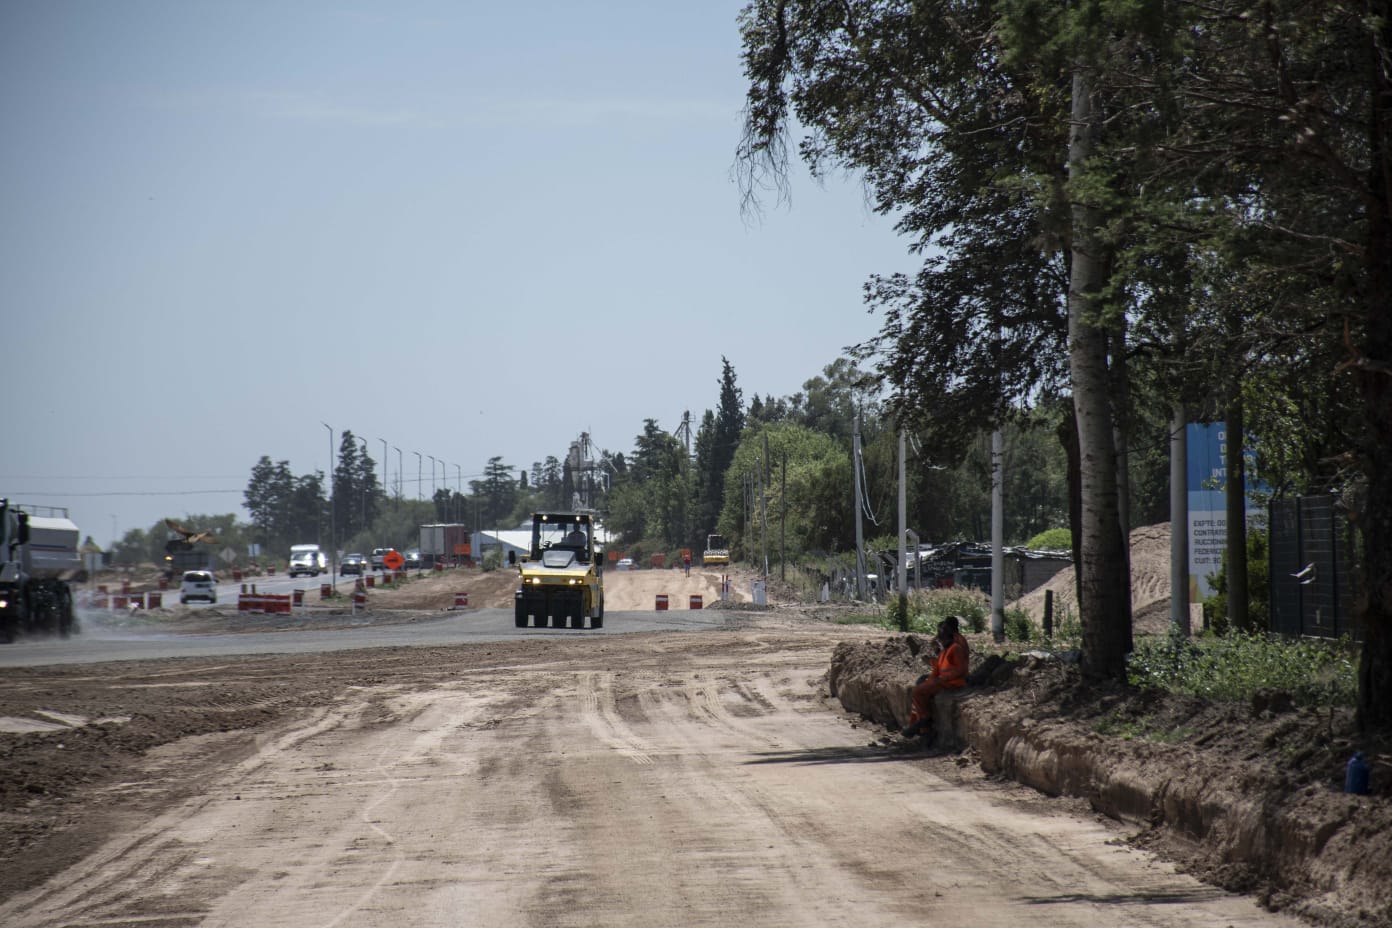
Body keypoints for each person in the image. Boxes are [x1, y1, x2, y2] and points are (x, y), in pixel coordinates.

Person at [901, 615, 969, 741]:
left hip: (952, 682)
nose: (939, 639)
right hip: (944, 680)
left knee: (919, 691)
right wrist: (931, 679)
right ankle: (921, 726)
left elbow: (960, 669)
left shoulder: (956, 647)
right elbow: (940, 667)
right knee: (919, 687)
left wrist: (940, 679)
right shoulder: (946, 650)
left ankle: (924, 722)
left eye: (941, 636)